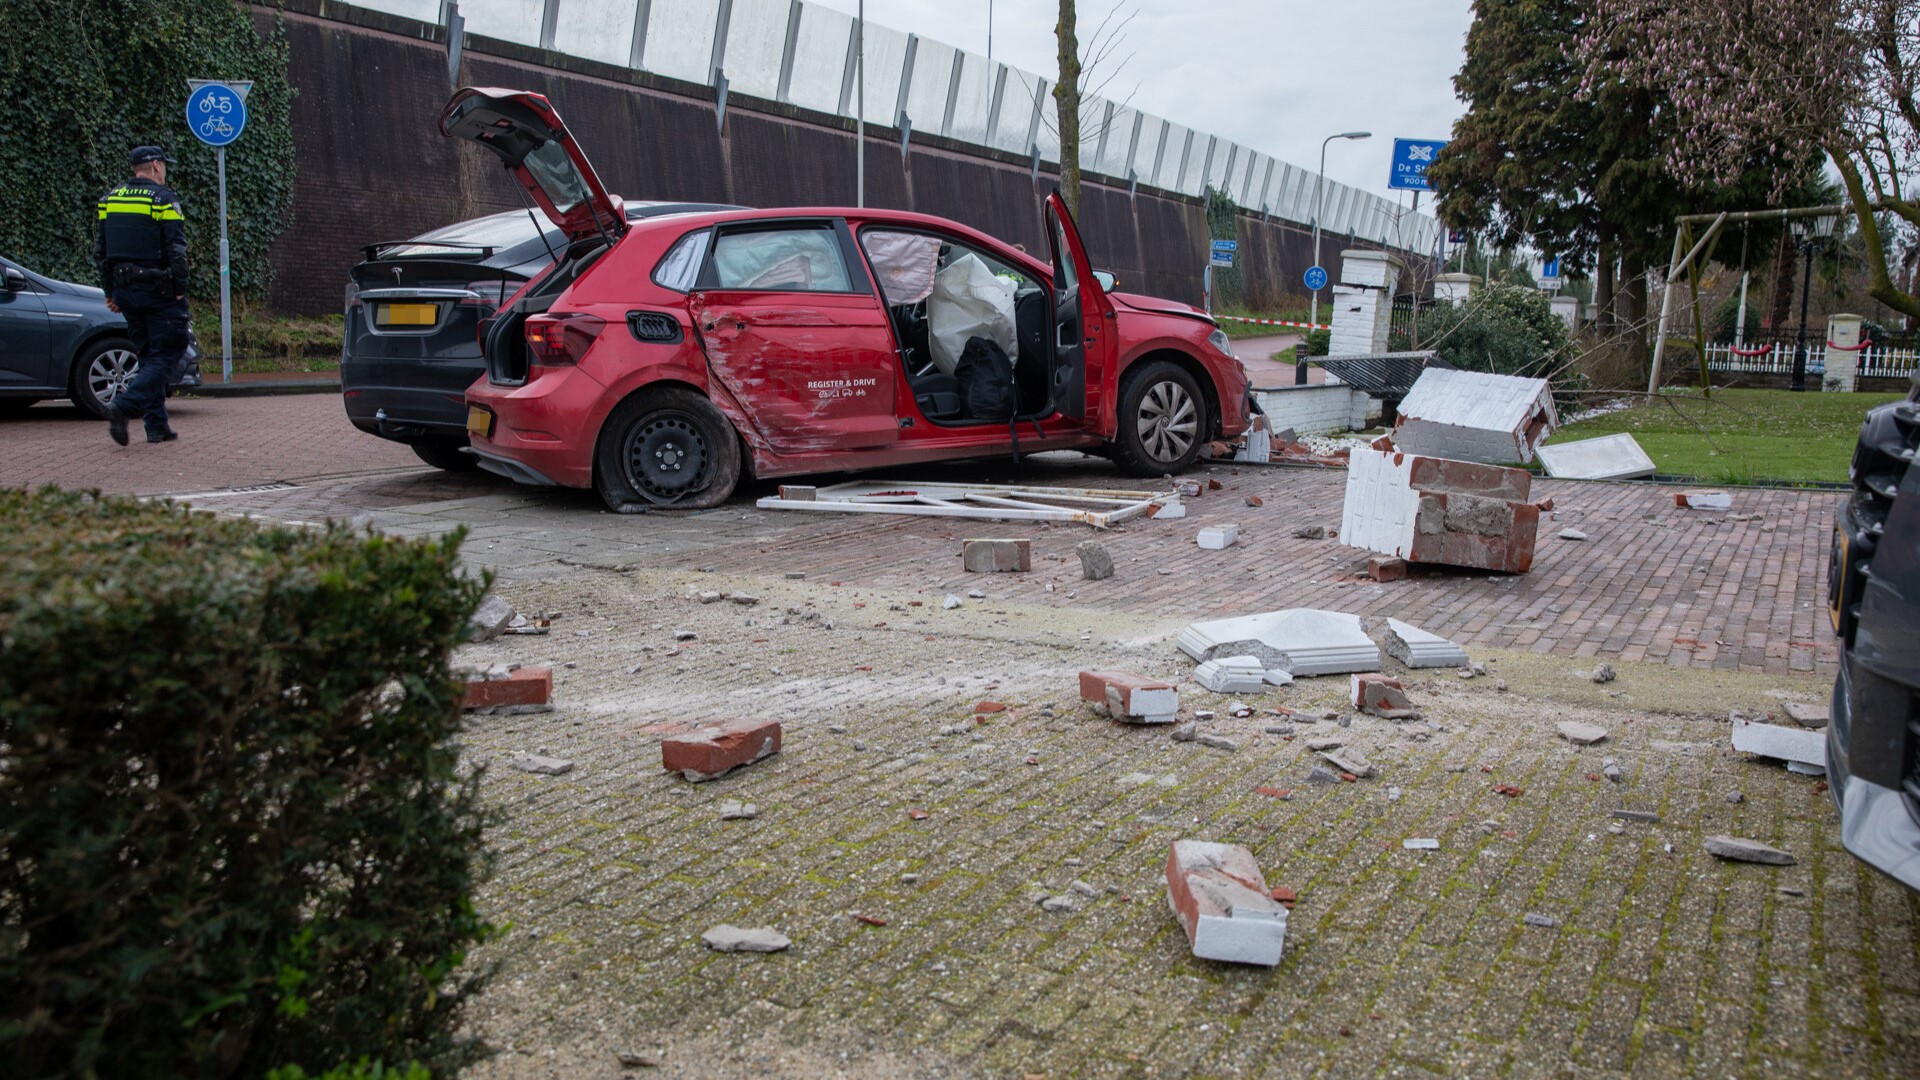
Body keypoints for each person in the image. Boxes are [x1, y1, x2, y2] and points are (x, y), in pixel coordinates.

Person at [93, 145, 189, 445]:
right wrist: (179, 289)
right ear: (157, 167)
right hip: (159, 290)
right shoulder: (163, 199)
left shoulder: (110, 199)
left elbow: (101, 252)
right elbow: (176, 249)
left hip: (126, 291)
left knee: (148, 356)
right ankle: (123, 407)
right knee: (170, 351)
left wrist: (111, 292)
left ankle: (156, 426)